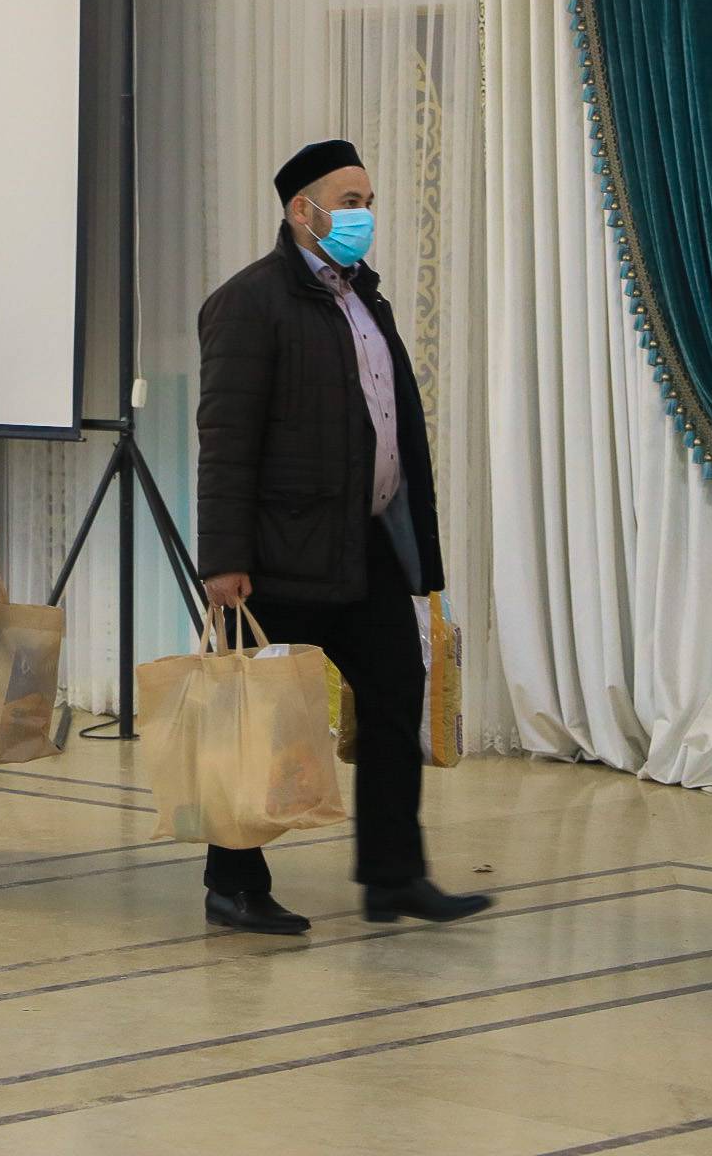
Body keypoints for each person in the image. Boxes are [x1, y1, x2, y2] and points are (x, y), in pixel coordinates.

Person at [192, 138, 493, 936]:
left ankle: (394, 877)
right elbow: (225, 439)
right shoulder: (248, 302)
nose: (364, 216)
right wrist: (223, 560)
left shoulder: (366, 300)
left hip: (365, 545)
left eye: (368, 202)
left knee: (395, 699)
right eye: (350, 202)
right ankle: (233, 884)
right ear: (303, 210)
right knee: (256, 720)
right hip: (277, 554)